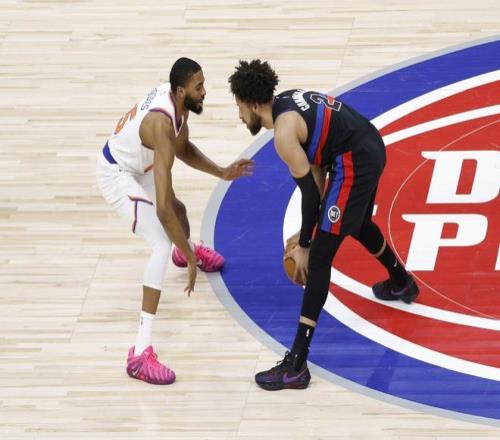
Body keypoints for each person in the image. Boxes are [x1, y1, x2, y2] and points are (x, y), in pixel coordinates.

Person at [228, 59, 419, 391]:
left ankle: (296, 365)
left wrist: (305, 245)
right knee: (356, 223)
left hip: (355, 160)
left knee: (318, 259)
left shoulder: (283, 135)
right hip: (370, 145)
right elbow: (317, 172)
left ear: (255, 104)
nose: (240, 115)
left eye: (240, 107)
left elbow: (309, 196)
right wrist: (307, 230)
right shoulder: (288, 101)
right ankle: (402, 282)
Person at [96, 58, 254, 385]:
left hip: (138, 166)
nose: (204, 91)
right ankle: (140, 354)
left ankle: (184, 251)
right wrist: (191, 258)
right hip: (117, 174)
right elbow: (162, 211)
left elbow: (183, 150)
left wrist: (222, 172)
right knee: (161, 242)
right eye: (199, 87)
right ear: (181, 91)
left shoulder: (177, 107)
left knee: (180, 212)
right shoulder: (161, 125)